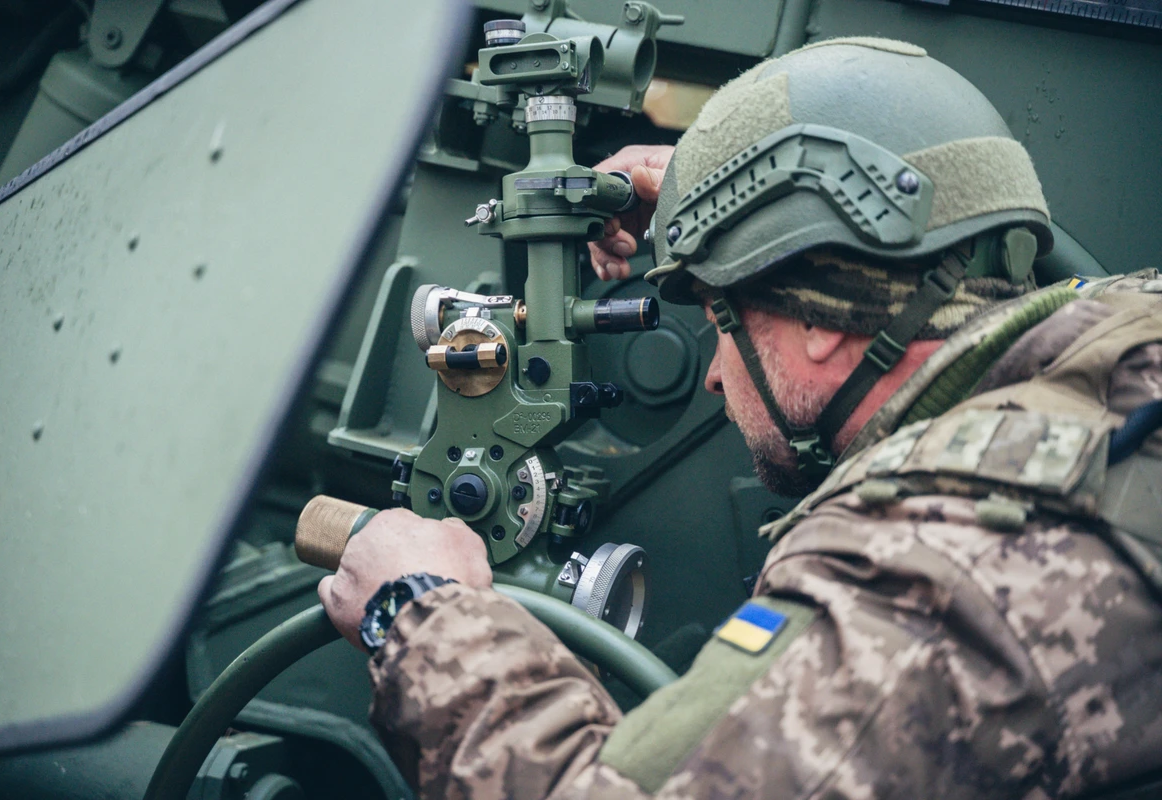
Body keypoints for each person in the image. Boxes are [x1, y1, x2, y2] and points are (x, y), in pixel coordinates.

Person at [319, 38, 1162, 798]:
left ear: (824, 327)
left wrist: (422, 612)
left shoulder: (934, 578)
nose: (718, 375)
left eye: (725, 319)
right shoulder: (1132, 332)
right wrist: (730, 183)